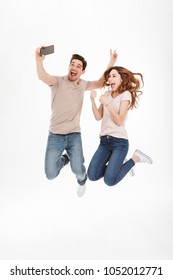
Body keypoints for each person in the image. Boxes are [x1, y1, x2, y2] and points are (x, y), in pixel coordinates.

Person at [35, 46, 117, 197]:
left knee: (78, 170)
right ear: (69, 66)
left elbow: (101, 82)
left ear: (82, 71)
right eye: (72, 64)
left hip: (74, 135)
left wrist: (111, 62)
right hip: (55, 136)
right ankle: (65, 158)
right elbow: (43, 76)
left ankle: (82, 180)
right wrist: (39, 61)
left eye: (78, 66)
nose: (74, 67)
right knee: (50, 174)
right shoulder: (57, 82)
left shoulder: (83, 84)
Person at [87, 66, 153, 187]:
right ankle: (118, 166)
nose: (110, 79)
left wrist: (107, 104)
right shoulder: (107, 94)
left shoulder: (125, 95)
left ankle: (135, 158)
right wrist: (92, 100)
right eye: (109, 77)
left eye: (114, 76)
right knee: (92, 175)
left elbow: (119, 121)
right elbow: (98, 117)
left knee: (109, 181)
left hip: (119, 143)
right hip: (104, 142)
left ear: (121, 79)